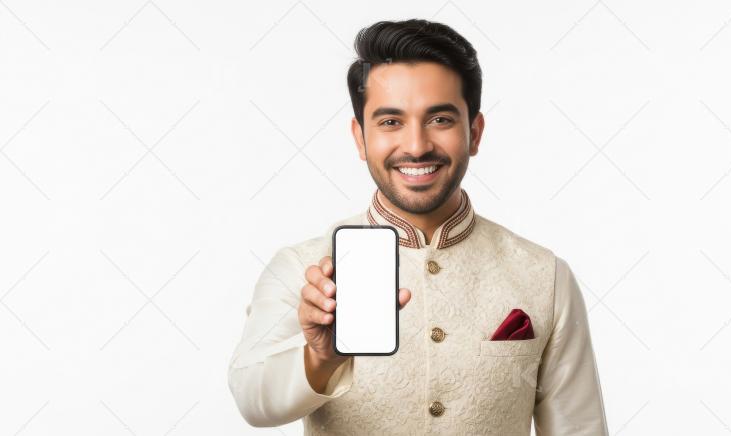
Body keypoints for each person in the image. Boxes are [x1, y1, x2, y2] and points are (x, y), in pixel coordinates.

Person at [228, 18, 609, 435]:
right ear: (360, 138)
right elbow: (252, 398)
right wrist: (322, 357)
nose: (416, 145)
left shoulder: (545, 276)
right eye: (390, 122)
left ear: (475, 132)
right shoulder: (305, 270)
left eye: (440, 119)